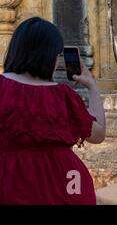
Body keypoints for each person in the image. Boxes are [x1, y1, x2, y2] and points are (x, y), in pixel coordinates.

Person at [0, 17, 106, 204]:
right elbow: (97, 135)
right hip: (66, 187)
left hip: (11, 183)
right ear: (49, 55)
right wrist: (92, 87)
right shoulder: (62, 97)